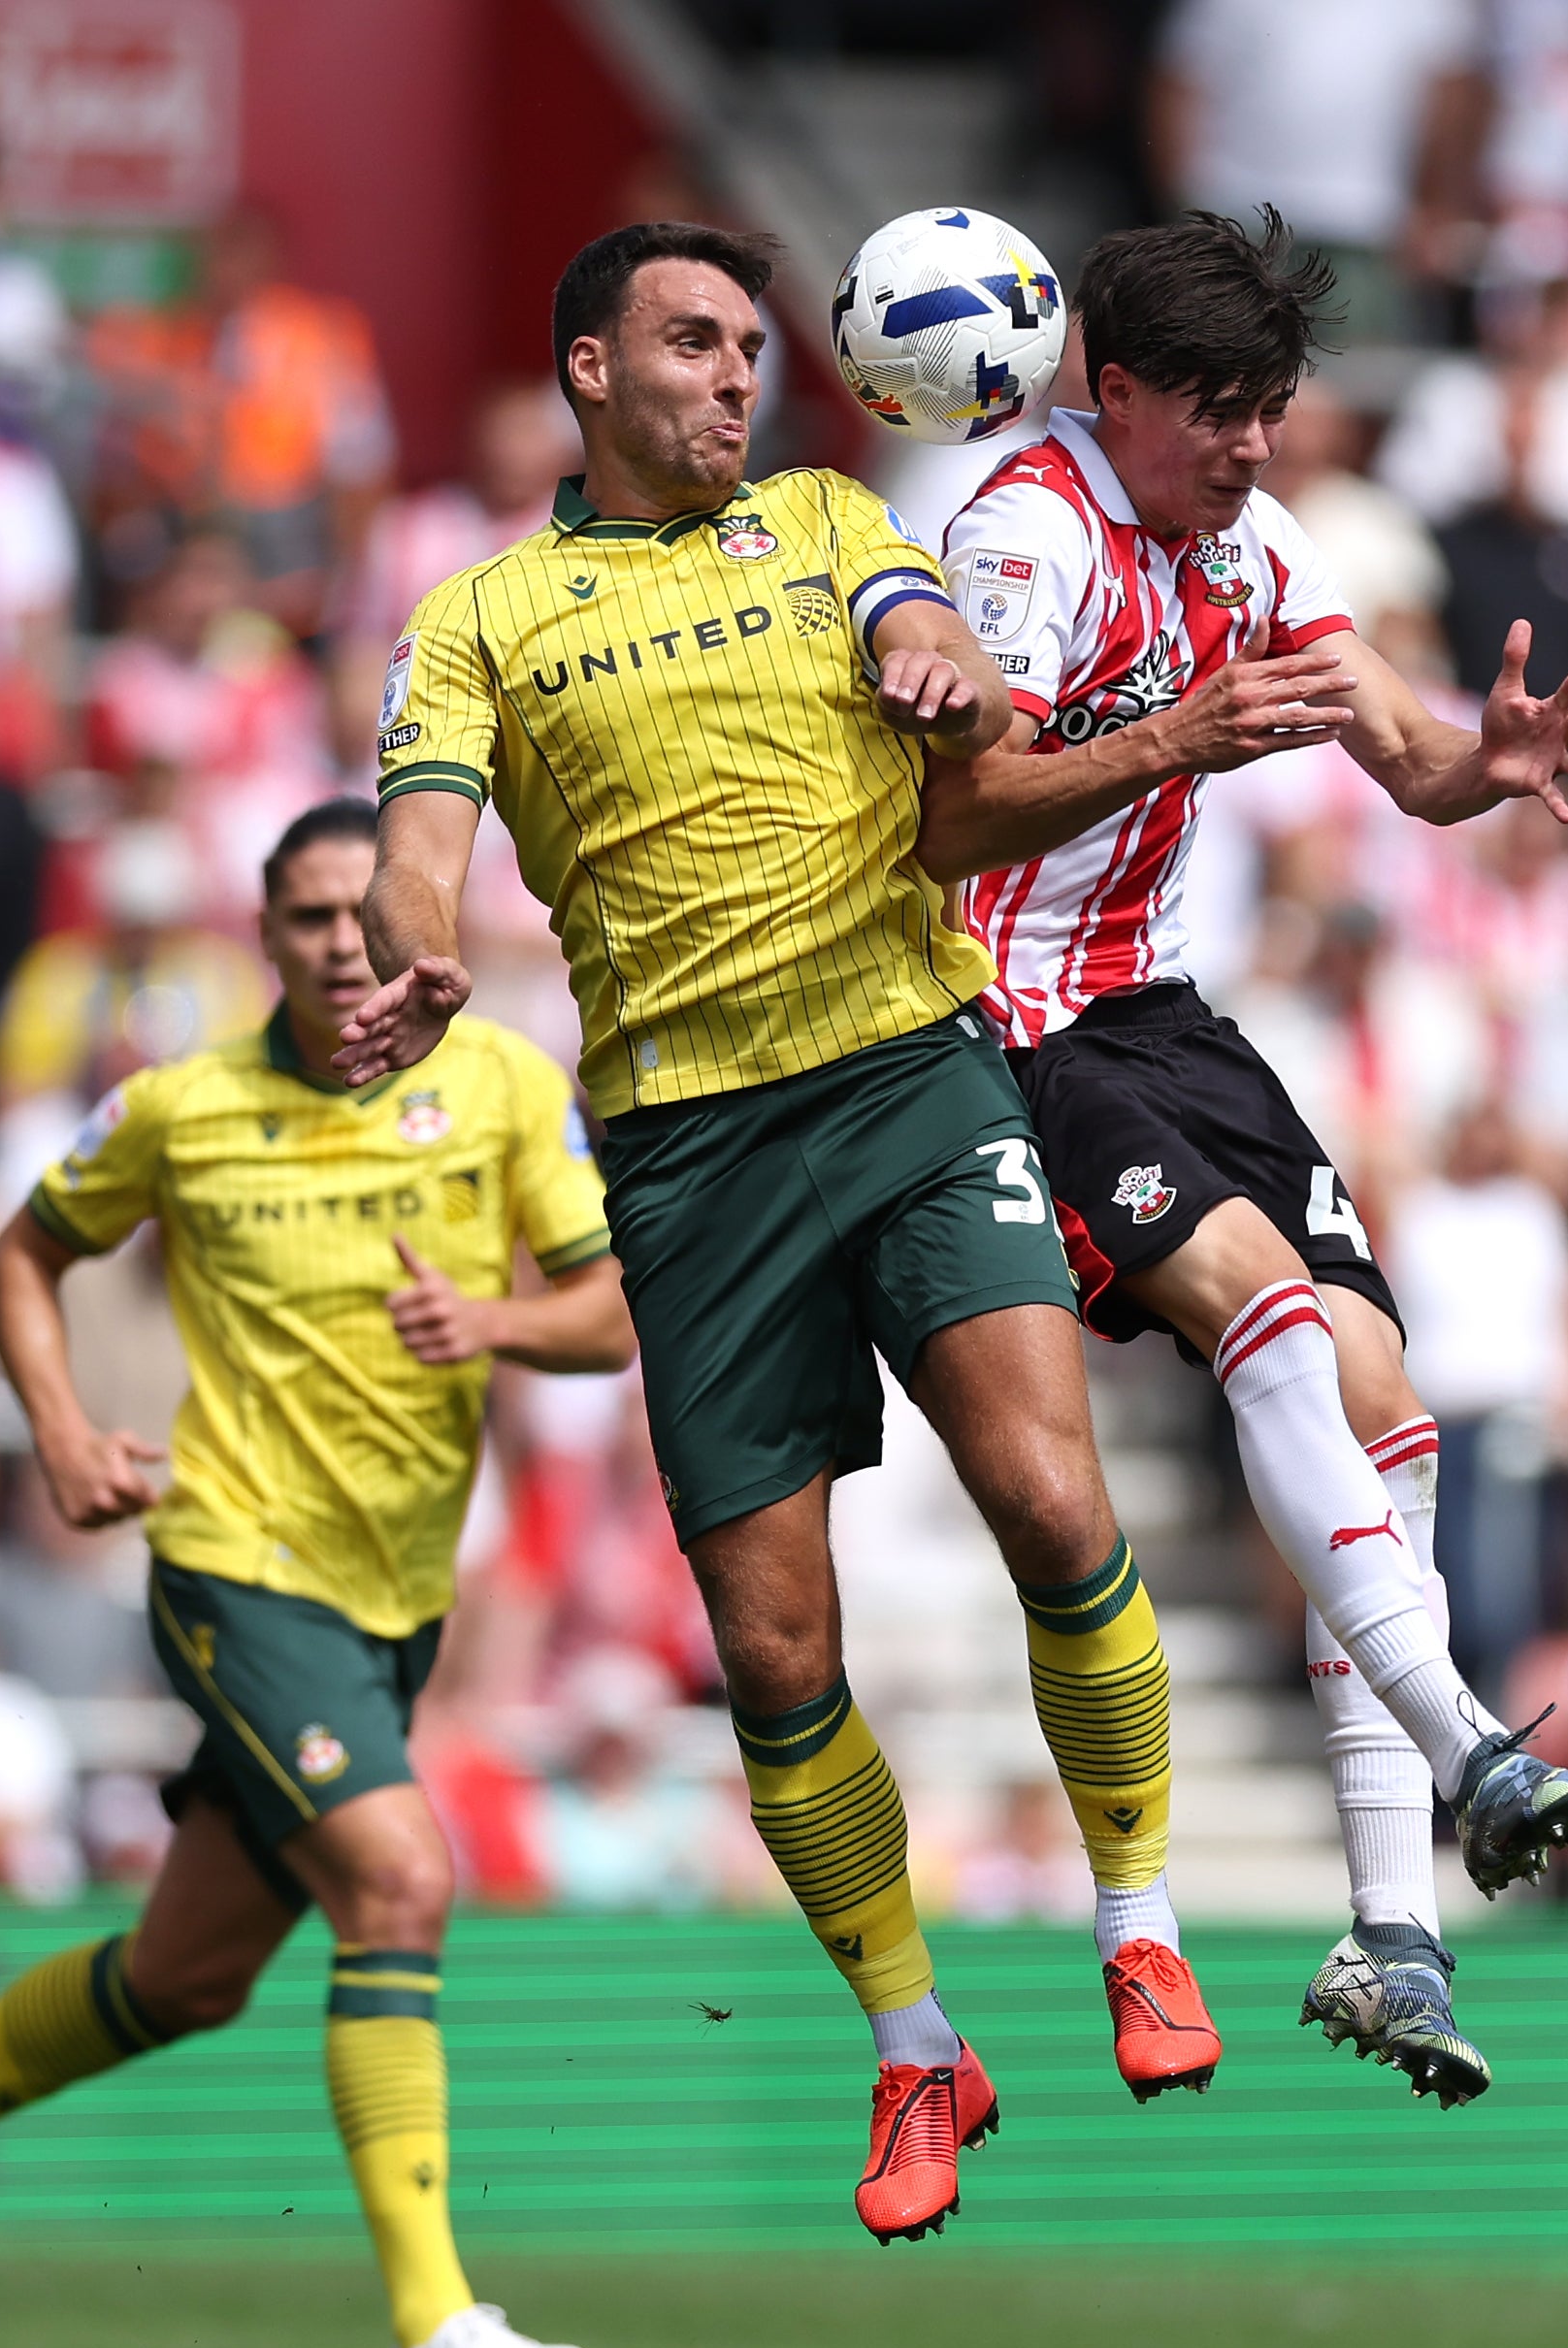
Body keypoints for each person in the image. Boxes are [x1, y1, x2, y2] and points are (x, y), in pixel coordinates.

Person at [342, 221, 1168, 2244]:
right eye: (691, 343)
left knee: (1052, 1498)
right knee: (775, 1650)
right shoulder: (480, 617)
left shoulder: (826, 521)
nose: (734, 374)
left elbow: (942, 652)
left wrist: (945, 657)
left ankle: (1138, 1923)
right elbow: (418, 846)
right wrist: (421, 953)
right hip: (692, 1159)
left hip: (907, 1074)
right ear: (588, 373)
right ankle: (912, 2045)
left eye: (747, 345)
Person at [0, 799, 632, 2348]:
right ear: (261, 939)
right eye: (308, 916)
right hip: (233, 1571)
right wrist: (53, 1431)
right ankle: (430, 2323)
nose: (341, 940)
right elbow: (22, 1259)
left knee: (184, 1979)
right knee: (400, 1878)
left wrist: (493, 1322)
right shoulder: (184, 1110)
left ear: (409, 929)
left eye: (361, 912)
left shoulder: (506, 1088)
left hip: (396, 1607)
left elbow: (610, 1316)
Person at [913, 212, 1568, 2109]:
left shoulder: (1257, 542)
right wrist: (1179, 733)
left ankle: (1393, 1937)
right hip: (999, 1017)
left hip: (1155, 1008)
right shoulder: (1024, 534)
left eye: (1273, 412)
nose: (1250, 447)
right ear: (1113, 391)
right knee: (1272, 1319)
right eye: (1215, 413)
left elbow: (1399, 748)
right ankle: (1468, 1745)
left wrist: (1491, 759)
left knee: (1394, 1401)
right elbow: (948, 805)